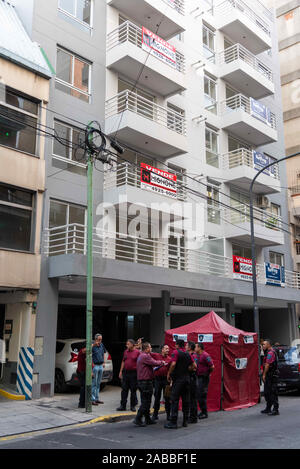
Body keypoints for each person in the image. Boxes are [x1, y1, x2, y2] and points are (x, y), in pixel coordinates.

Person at [164, 339, 196, 429]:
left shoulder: (176, 352)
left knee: (174, 400)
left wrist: (169, 373)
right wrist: (186, 369)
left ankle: (173, 422)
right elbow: (194, 366)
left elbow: (173, 364)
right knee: (186, 401)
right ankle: (185, 421)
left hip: (178, 380)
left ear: (177, 345)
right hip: (187, 380)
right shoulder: (188, 354)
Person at [134, 342, 165, 427]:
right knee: (146, 401)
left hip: (143, 381)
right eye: (150, 347)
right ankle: (138, 418)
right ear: (146, 348)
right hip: (145, 381)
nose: (151, 349)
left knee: (147, 400)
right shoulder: (145, 356)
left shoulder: (141, 355)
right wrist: (162, 362)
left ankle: (147, 419)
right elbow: (154, 362)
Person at [117, 339, 141, 412]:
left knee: (133, 390)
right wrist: (121, 371)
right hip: (126, 373)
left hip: (134, 373)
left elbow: (140, 363)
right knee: (124, 390)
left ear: (132, 344)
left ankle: (132, 406)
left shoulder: (137, 352)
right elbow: (123, 361)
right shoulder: (126, 352)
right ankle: (123, 405)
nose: (126, 345)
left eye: (128, 344)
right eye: (126, 344)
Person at [151, 344, 172, 422]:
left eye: (168, 349)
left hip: (166, 380)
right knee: (157, 397)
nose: (168, 350)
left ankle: (168, 415)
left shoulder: (170, 359)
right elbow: (147, 354)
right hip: (157, 380)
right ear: (162, 350)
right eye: (166, 348)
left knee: (167, 397)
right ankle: (155, 415)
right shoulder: (156, 355)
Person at [194, 343, 214, 419]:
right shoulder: (195, 355)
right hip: (197, 377)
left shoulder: (206, 355)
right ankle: (202, 411)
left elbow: (212, 366)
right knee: (198, 395)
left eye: (196, 347)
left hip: (203, 377)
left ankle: (204, 413)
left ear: (199, 348)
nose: (194, 348)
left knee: (201, 395)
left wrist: (208, 373)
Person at [261, 339, 279, 416]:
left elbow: (267, 364)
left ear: (269, 345)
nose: (262, 346)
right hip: (269, 375)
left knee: (272, 392)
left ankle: (275, 410)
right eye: (262, 345)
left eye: (264, 344)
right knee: (267, 392)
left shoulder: (271, 353)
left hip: (272, 376)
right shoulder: (267, 352)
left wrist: (264, 375)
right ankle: (268, 408)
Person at [91, 333, 106, 406]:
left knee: (98, 383)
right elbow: (89, 354)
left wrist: (104, 362)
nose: (100, 341)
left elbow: (103, 353)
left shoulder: (102, 345)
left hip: (100, 365)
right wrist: (93, 345)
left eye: (101, 339)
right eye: (98, 339)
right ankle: (92, 399)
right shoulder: (92, 345)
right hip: (95, 366)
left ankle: (97, 398)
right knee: (94, 383)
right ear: (95, 339)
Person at [186, 341, 198, 424]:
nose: (185, 346)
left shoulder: (192, 356)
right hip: (192, 378)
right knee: (191, 399)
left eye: (187, 345)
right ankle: (193, 416)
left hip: (192, 378)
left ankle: (193, 417)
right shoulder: (193, 355)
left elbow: (194, 367)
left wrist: (187, 368)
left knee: (192, 399)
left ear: (190, 347)